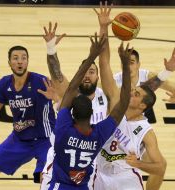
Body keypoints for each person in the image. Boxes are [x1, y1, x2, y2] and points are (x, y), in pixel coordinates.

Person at [93, 2, 175, 190]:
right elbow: (104, 62)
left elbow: (160, 166)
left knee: (156, 165)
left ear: (142, 105)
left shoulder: (146, 130)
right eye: (133, 90)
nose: (132, 91)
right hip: (98, 169)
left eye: (136, 93)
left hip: (125, 172)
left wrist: (138, 164)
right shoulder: (117, 98)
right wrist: (103, 27)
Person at [47, 33, 131, 190]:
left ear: (70, 113)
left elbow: (71, 88)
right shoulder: (98, 135)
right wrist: (125, 66)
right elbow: (124, 102)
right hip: (83, 185)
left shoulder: (63, 128)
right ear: (92, 113)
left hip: (61, 185)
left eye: (92, 72)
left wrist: (92, 54)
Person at [0, 46, 56, 190]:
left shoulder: (41, 81)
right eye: (15, 58)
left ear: (27, 62)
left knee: (44, 180)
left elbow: (65, 95)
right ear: (9, 62)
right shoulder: (4, 83)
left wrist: (56, 98)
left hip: (46, 140)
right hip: (19, 139)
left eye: (23, 58)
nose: (20, 62)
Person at [39, 22, 109, 190]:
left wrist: (104, 27)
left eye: (92, 72)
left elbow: (106, 60)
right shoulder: (70, 94)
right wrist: (51, 49)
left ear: (98, 76)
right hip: (60, 162)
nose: (87, 75)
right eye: (84, 71)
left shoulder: (106, 97)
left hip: (88, 166)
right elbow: (56, 74)